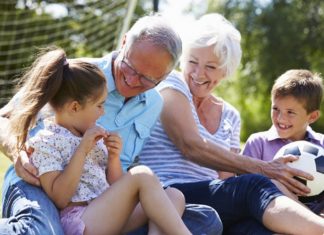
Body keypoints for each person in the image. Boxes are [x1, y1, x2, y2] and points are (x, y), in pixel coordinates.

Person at [0, 15, 222, 235]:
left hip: (103, 202)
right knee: (42, 231)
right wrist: (17, 150)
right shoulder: (76, 77)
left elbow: (115, 179)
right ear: (124, 42)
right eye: (131, 68)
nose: (133, 81)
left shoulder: (153, 104)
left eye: (147, 79)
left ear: (164, 77)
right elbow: (5, 117)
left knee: (198, 213)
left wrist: (114, 158)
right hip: (40, 186)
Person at [139, 13, 324, 234]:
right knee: (253, 185)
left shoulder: (230, 115)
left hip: (210, 201)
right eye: (192, 62)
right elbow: (190, 146)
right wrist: (264, 168)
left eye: (210, 66)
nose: (198, 73)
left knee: (255, 227)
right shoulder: (172, 84)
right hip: (166, 192)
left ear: (226, 70)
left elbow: (226, 182)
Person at [242, 69, 324, 216]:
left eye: (290, 112)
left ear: (312, 116)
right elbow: (245, 188)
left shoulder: (322, 144)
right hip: (272, 213)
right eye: (275, 109)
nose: (280, 118)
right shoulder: (258, 143)